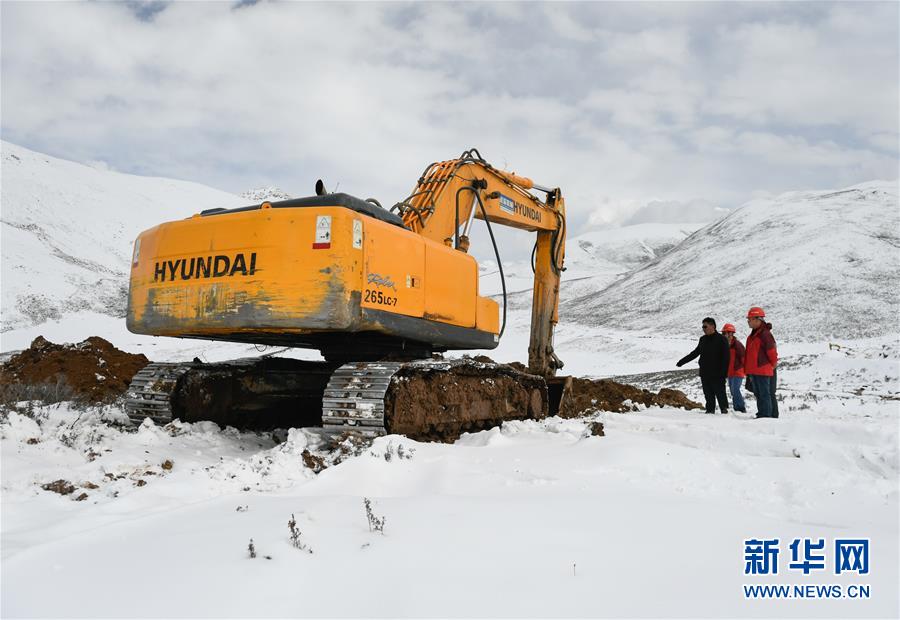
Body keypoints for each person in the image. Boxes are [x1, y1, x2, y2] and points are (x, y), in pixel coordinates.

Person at [676, 317, 730, 413]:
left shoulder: (722, 339)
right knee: (708, 395)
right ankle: (710, 411)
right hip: (705, 372)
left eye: (705, 326)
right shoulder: (703, 339)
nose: (703, 329)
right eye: (702, 327)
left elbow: (726, 357)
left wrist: (724, 373)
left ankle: (725, 411)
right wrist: (682, 361)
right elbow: (695, 353)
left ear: (713, 326)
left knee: (720, 393)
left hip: (718, 373)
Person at [744, 307, 778, 418]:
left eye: (750, 319)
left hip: (762, 370)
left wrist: (773, 365)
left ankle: (766, 415)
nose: (748, 321)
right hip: (755, 370)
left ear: (757, 319)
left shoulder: (765, 334)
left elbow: (771, 351)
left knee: (764, 394)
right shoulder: (754, 335)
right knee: (759, 394)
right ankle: (762, 414)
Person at [722, 323, 747, 412]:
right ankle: (737, 408)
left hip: (738, 371)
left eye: (726, 333)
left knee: (735, 390)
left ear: (731, 334)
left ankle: (741, 408)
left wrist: (746, 371)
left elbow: (744, 358)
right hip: (730, 373)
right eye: (724, 333)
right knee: (733, 391)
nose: (725, 335)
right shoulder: (724, 345)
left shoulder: (737, 345)